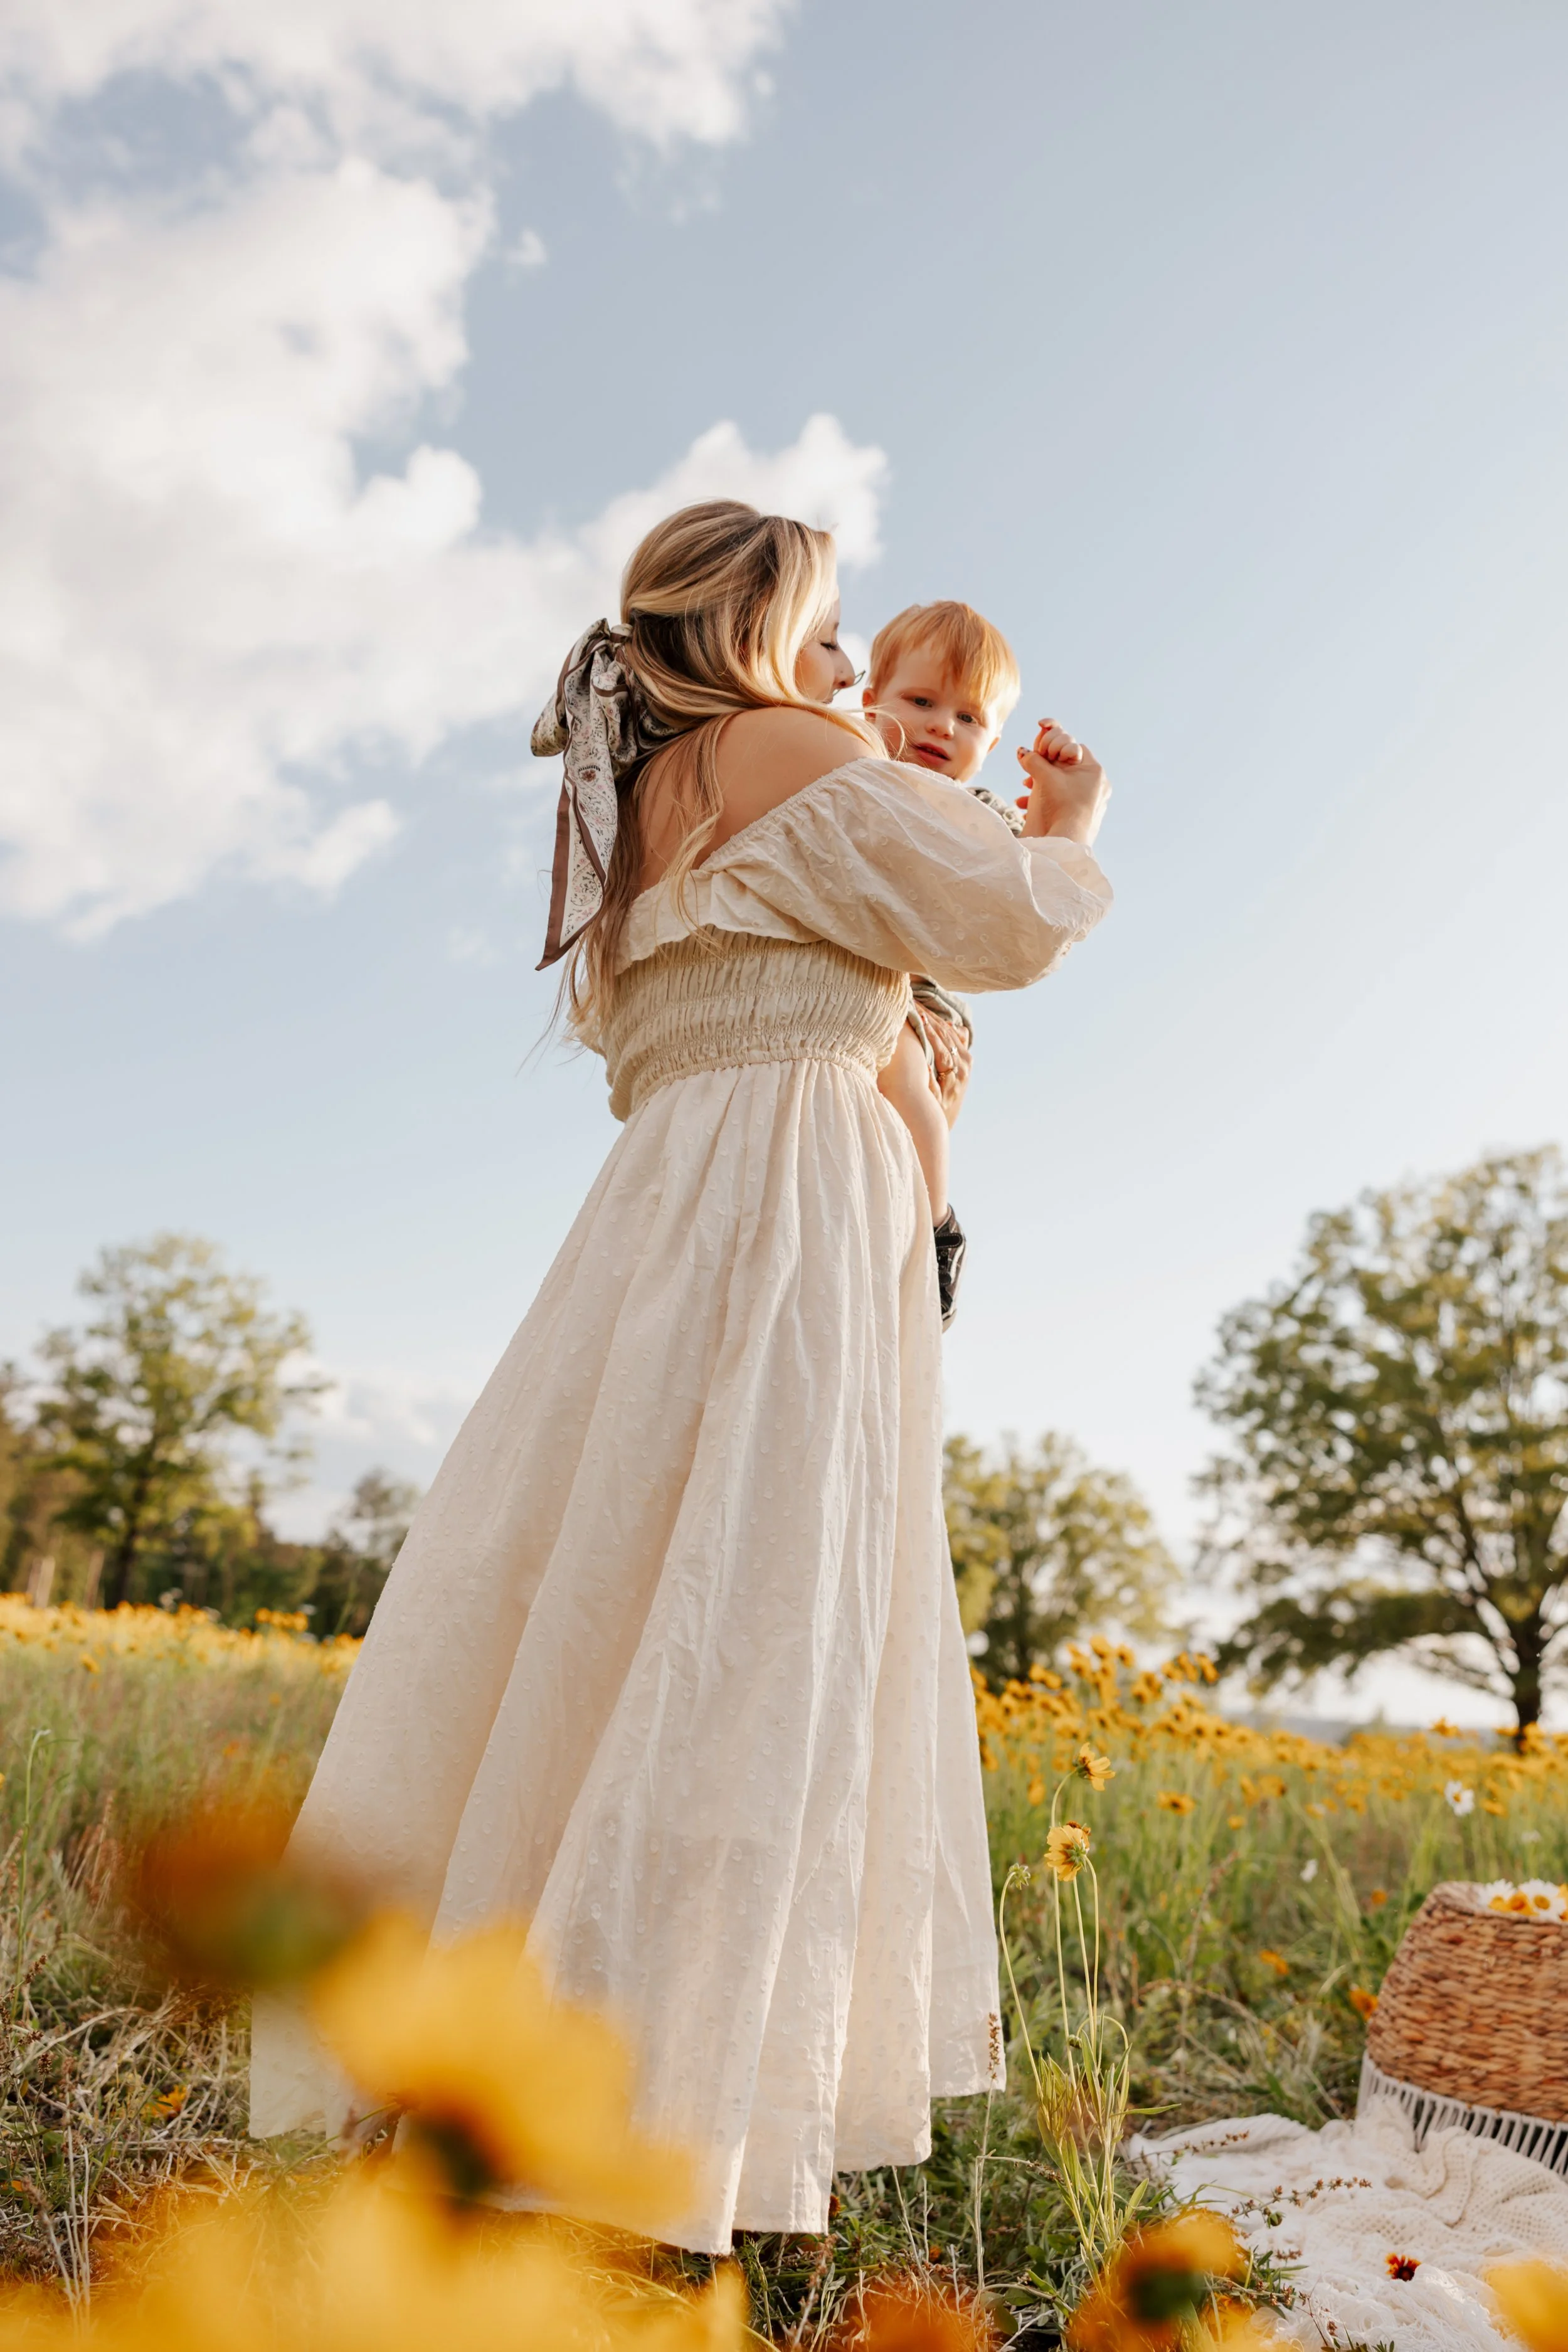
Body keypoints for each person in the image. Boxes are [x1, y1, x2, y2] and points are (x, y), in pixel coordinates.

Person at [248, 499, 1113, 2254]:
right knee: (752, 1637)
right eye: (831, 626)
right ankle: (658, 2122)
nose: (846, 667)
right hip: (784, 1215)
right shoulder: (787, 744)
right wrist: (1068, 832)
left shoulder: (626, 810)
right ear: (762, 619)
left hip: (669, 1222)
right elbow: (1000, 925)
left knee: (591, 1621)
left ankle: (501, 2076)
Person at [857, 600, 1085, 1327]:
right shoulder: (850, 778)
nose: (941, 728)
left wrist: (1054, 795)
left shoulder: (976, 811)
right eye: (920, 702)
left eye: (968, 718)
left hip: (923, 1005)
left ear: (991, 742)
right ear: (870, 702)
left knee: (897, 1062)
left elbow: (1030, 879)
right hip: (859, 983)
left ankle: (935, 1232)